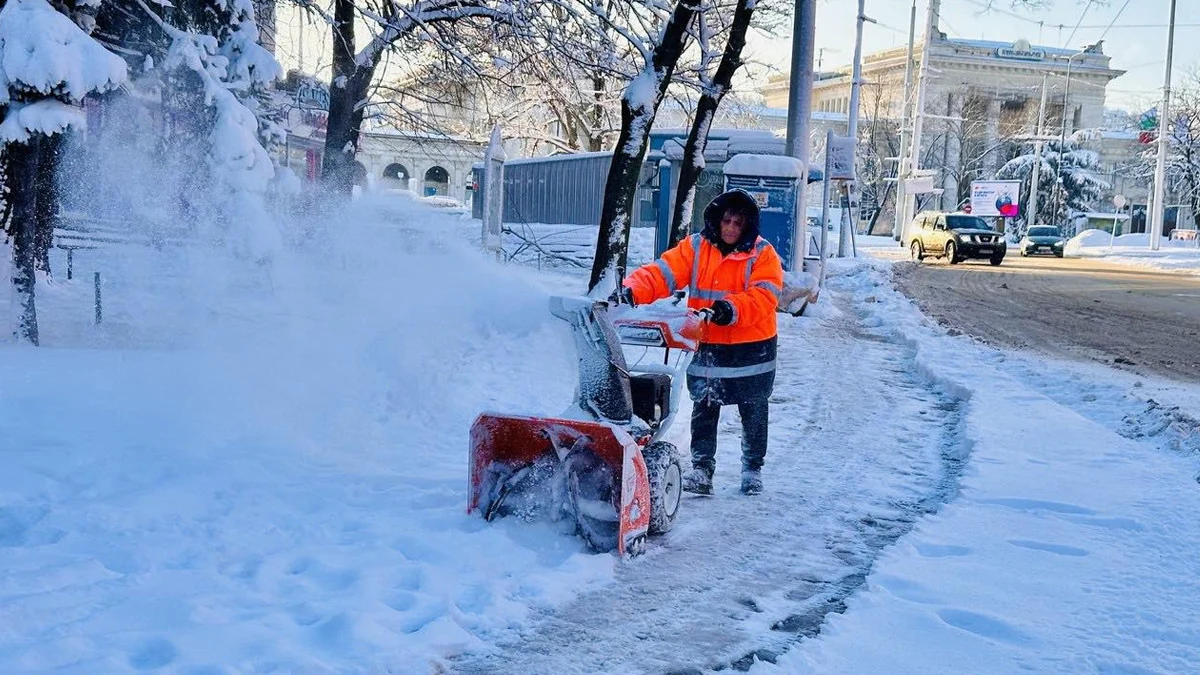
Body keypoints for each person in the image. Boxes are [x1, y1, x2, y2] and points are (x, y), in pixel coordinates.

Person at [614, 189, 784, 495]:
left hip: (752, 346)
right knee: (705, 404)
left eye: (738, 223)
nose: (730, 228)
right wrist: (632, 290)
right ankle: (702, 469)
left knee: (753, 407)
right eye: (726, 221)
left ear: (747, 225)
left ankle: (752, 469)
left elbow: (765, 295)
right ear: (717, 220)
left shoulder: (763, 254)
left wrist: (729, 308)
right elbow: (663, 273)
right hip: (707, 340)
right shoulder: (696, 247)